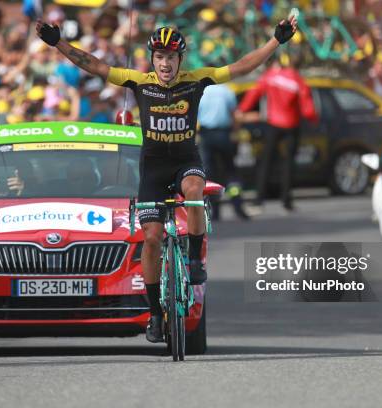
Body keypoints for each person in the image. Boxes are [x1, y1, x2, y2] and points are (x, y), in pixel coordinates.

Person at [36, 14, 298, 343]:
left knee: (193, 192)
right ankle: (156, 316)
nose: (164, 63)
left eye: (170, 57)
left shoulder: (197, 80)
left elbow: (243, 66)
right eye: (159, 57)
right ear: (152, 60)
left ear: (179, 60)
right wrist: (58, 43)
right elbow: (95, 65)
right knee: (151, 239)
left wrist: (276, 41)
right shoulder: (139, 81)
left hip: (186, 161)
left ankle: (193, 256)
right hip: (154, 168)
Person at [237, 54, 317, 210]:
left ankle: (259, 199)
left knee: (266, 162)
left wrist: (242, 110)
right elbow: (308, 107)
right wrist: (313, 119)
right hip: (292, 125)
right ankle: (286, 200)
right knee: (288, 165)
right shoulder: (297, 79)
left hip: (273, 124)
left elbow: (254, 93)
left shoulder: (270, 76)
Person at [197, 84, 249, 221]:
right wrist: (236, 133)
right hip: (224, 134)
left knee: (210, 174)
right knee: (231, 171)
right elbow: (235, 115)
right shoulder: (227, 91)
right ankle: (238, 207)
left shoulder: (201, 91)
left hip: (206, 135)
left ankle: (215, 211)